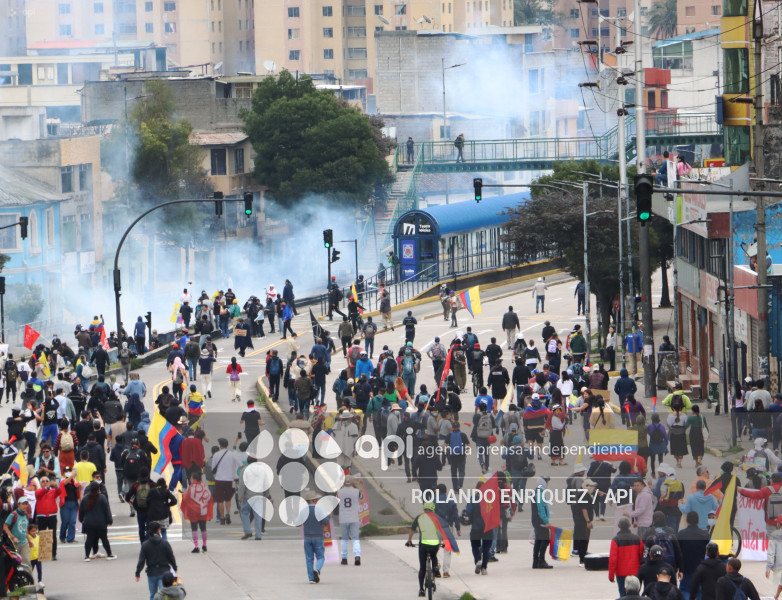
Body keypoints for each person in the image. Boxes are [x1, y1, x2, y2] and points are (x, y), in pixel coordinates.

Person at [406, 501, 442, 597]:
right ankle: (435, 568)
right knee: (434, 555)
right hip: (434, 544)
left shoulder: (419, 517)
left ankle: (421, 590)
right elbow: (442, 531)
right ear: (433, 509)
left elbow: (412, 529)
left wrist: (409, 541)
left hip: (423, 545)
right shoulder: (436, 518)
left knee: (422, 567)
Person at [135, 521, 178, 600]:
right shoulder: (165, 543)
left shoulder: (145, 545)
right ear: (159, 530)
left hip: (151, 572)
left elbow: (141, 560)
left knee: (153, 595)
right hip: (164, 572)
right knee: (164, 595)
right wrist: (175, 568)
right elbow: (171, 557)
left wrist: (138, 572)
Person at [677, 510, 712, 599]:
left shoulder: (681, 534)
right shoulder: (705, 535)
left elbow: (678, 553)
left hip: (686, 569)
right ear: (698, 521)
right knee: (700, 592)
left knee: (685, 592)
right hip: (701, 569)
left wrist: (680, 569)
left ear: (687, 521)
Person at [79, 481, 116, 560]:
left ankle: (87, 556)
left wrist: (81, 519)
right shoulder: (102, 497)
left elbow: (81, 510)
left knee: (89, 539)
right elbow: (107, 510)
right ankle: (109, 554)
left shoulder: (85, 498)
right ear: (98, 489)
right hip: (101, 523)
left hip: (89, 523)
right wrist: (109, 520)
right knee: (104, 539)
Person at [609, 517, 645, 597]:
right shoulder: (637, 539)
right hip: (635, 572)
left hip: (621, 574)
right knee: (636, 595)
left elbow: (613, 559)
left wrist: (611, 576)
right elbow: (642, 556)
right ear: (629, 525)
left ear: (618, 526)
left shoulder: (615, 540)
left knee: (623, 595)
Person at [211, 438, 242, 525]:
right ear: (227, 445)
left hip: (219, 479)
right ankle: (228, 514)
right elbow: (241, 464)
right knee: (228, 498)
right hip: (229, 479)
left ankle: (222, 517)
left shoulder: (216, 455)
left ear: (220, 446)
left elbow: (213, 468)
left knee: (220, 500)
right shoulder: (232, 454)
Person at [301, 489, 330, 584]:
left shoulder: (304, 510)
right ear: (314, 500)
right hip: (318, 536)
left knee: (309, 558)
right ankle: (317, 570)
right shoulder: (319, 510)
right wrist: (328, 515)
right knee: (320, 557)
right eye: (316, 499)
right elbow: (325, 521)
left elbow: (297, 523)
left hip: (307, 537)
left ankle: (311, 578)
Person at [181, 471, 212, 552]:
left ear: (194, 479)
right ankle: (204, 545)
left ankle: (196, 546)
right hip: (203, 510)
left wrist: (183, 495)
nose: (190, 480)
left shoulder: (192, 487)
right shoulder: (204, 486)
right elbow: (209, 496)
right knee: (203, 528)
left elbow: (187, 498)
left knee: (194, 528)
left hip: (193, 511)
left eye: (191, 478)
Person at [337, 476, 361, 566]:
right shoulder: (356, 492)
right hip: (354, 517)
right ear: (352, 482)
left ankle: (344, 558)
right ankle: (357, 556)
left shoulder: (339, 492)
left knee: (344, 539)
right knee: (355, 539)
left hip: (343, 518)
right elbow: (361, 497)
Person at [531, 476, 553, 568]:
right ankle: (541, 560)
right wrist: (546, 521)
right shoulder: (539, 494)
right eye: (546, 482)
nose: (547, 484)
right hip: (540, 522)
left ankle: (535, 562)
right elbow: (541, 509)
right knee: (545, 540)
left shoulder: (537, 492)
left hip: (536, 521)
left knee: (538, 541)